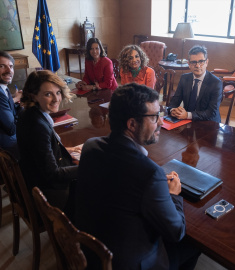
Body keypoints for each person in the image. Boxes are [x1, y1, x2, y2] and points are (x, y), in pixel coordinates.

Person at [75, 83, 200, 270]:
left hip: (89, 249)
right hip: (130, 263)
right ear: (132, 124)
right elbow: (176, 232)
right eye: (154, 117)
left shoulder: (91, 145)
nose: (160, 122)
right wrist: (174, 195)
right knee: (193, 244)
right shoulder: (150, 174)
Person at [16, 70, 81, 217]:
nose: (56, 99)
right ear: (33, 95)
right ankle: (76, 231)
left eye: (58, 92)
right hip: (48, 194)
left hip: (34, 179)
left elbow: (40, 151)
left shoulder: (29, 113)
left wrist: (66, 150)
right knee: (96, 183)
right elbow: (52, 174)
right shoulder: (37, 125)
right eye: (48, 94)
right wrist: (87, 167)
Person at [168, 45, 223, 122]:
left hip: (209, 123)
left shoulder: (216, 83)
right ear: (189, 64)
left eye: (201, 61)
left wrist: (187, 115)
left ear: (206, 62)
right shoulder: (184, 78)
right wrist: (173, 110)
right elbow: (174, 102)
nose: (197, 66)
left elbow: (211, 113)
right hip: (187, 121)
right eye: (194, 62)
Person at [0, 51, 23, 159]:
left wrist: (22, 105)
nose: (9, 71)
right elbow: (12, 129)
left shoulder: (4, 88)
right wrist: (24, 108)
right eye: (2, 66)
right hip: (8, 149)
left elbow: (11, 110)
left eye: (11, 66)